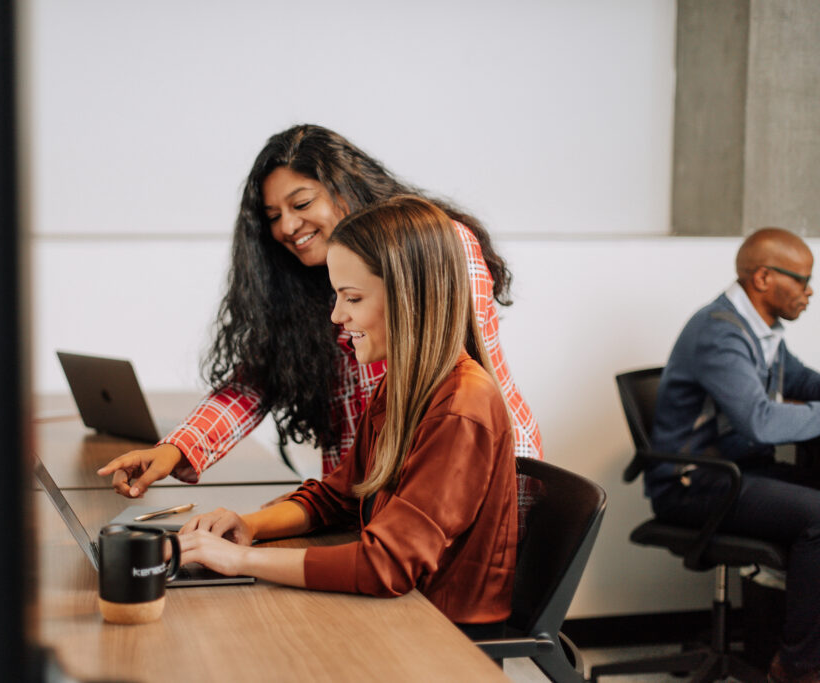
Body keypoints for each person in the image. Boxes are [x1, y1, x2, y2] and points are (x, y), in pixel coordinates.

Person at [98, 124, 541, 498]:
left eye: (302, 204)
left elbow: (435, 377)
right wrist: (177, 449)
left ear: (345, 189)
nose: (287, 227)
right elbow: (257, 381)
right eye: (272, 215)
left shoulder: (442, 246)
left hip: (467, 481)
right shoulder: (310, 279)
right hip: (369, 492)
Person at [177, 196, 517, 637]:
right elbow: (340, 497)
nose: (337, 315)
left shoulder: (461, 406)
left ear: (409, 299)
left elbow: (386, 566)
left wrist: (241, 560)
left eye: (352, 297)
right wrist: (248, 526)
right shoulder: (401, 385)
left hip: (440, 629)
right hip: (405, 608)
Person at [648, 227, 820, 682]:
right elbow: (760, 421)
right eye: (801, 280)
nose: (809, 291)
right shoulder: (720, 333)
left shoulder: (762, 331)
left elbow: (801, 382)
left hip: (739, 472)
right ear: (763, 278)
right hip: (696, 485)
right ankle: (797, 666)